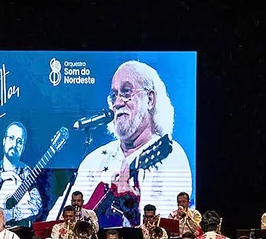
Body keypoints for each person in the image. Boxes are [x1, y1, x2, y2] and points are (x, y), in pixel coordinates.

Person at [47, 60, 193, 227]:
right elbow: (54, 220)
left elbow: (168, 226)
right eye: (114, 95)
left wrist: (131, 209)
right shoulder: (94, 159)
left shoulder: (171, 154)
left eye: (126, 92)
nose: (117, 103)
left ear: (150, 99)